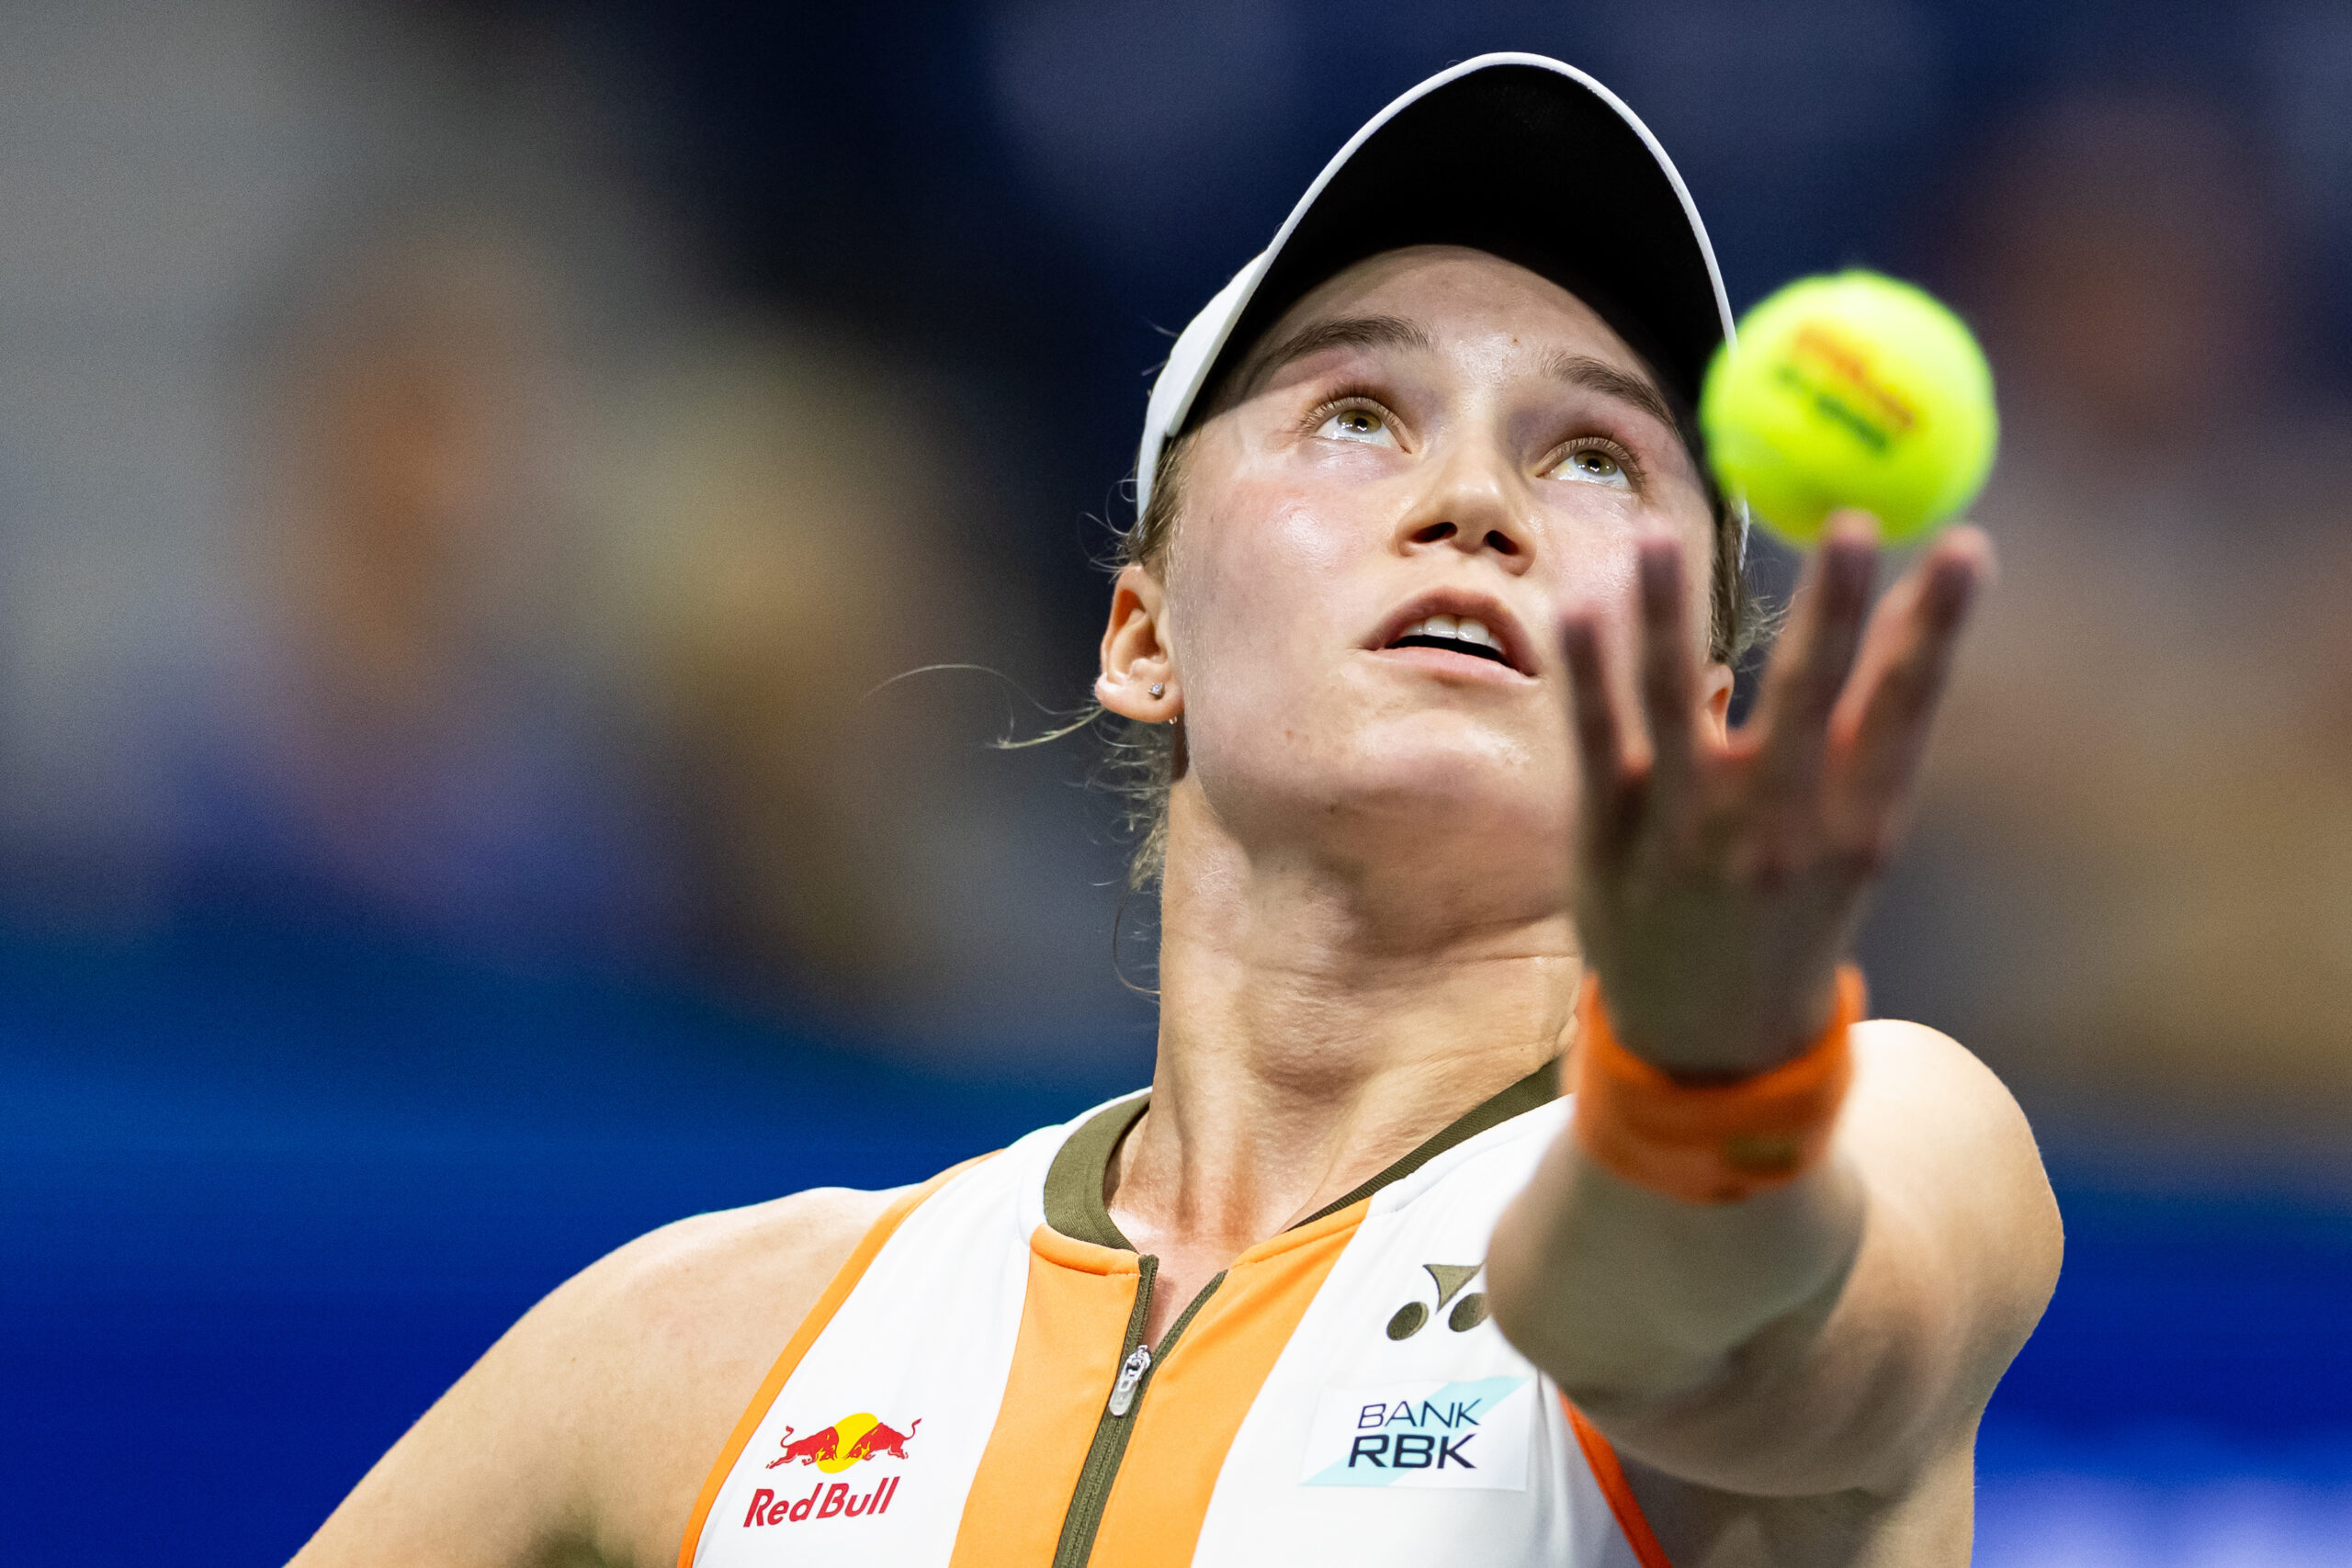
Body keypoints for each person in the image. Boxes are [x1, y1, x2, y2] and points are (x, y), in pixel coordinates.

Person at [290, 54, 2058, 1568]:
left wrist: (1696, 1090)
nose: (1473, 498)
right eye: (1360, 414)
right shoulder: (707, 1338)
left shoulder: (1903, 1134)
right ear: (1142, 633)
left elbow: (1718, 1343)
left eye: (1592, 457)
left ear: (1700, 704)